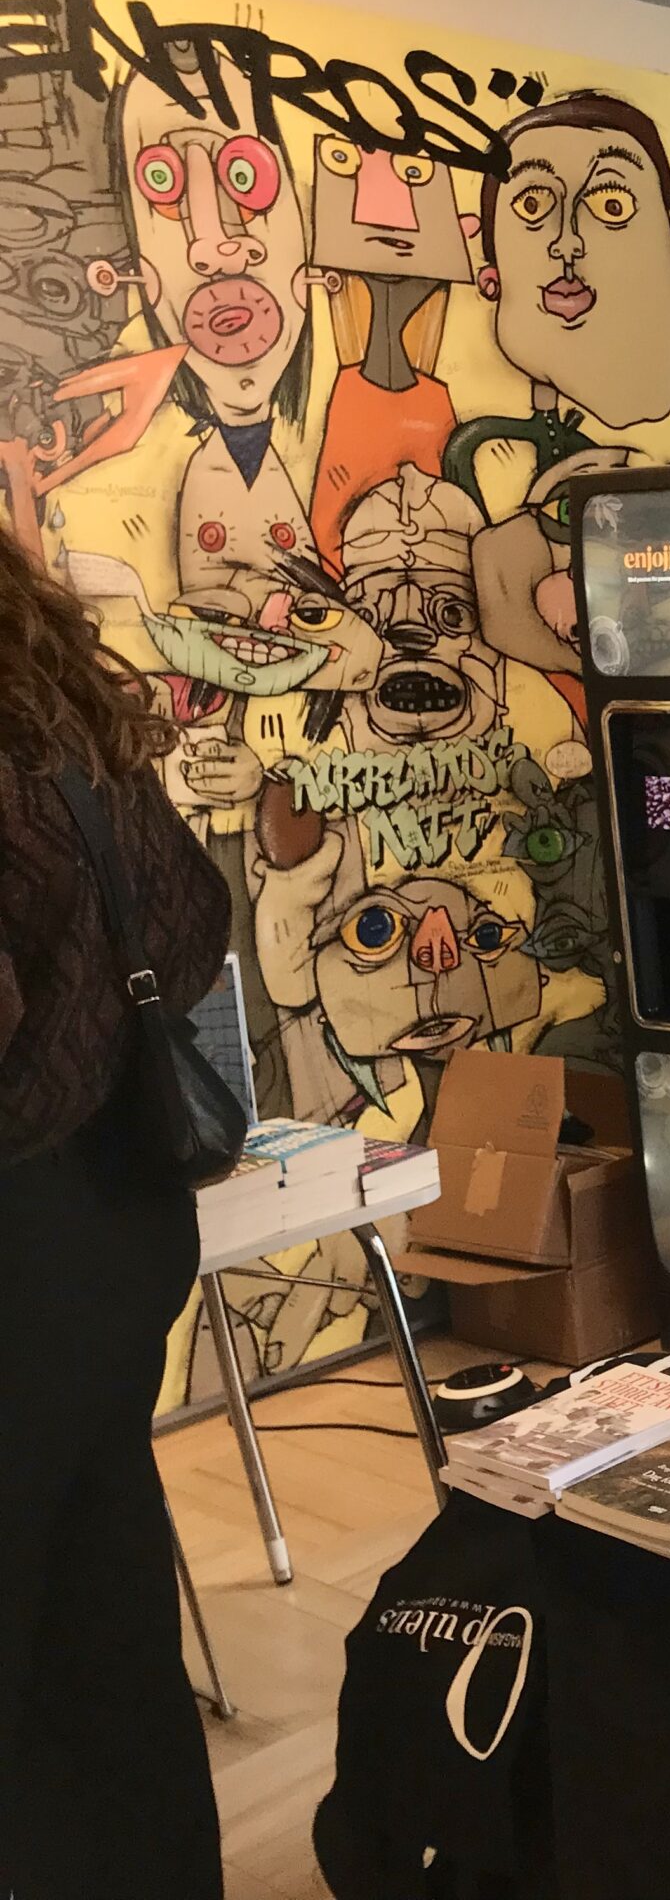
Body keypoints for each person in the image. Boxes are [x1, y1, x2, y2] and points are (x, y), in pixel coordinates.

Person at [0, 522, 229, 1897]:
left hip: (20, 1250)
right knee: (105, 1610)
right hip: (117, 1216)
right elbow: (196, 917)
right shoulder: (53, 713)